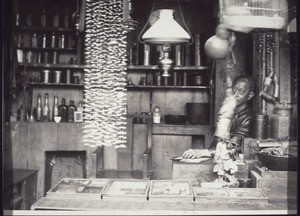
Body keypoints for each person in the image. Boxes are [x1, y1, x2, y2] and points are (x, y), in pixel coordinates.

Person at [182, 75, 255, 186]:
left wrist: (202, 152)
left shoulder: (247, 117)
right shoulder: (229, 110)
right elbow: (218, 141)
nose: (235, 95)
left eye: (240, 92)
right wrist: (204, 153)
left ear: (250, 95)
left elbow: (234, 145)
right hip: (219, 157)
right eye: (233, 91)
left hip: (235, 165)